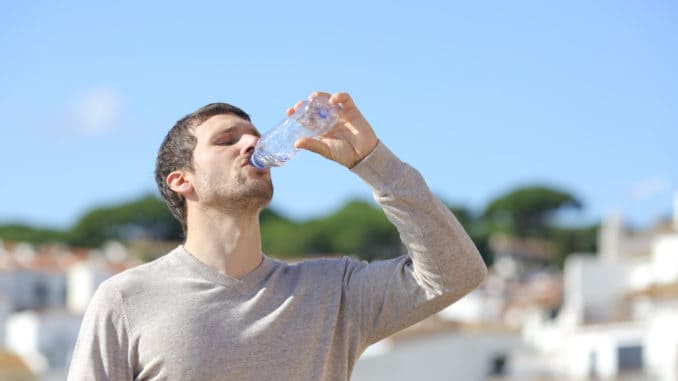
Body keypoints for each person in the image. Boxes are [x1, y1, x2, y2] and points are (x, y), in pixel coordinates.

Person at [67, 91, 487, 381]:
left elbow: (457, 273)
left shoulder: (332, 294)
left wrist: (373, 162)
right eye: (227, 140)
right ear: (182, 181)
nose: (251, 142)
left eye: (253, 134)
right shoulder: (126, 299)